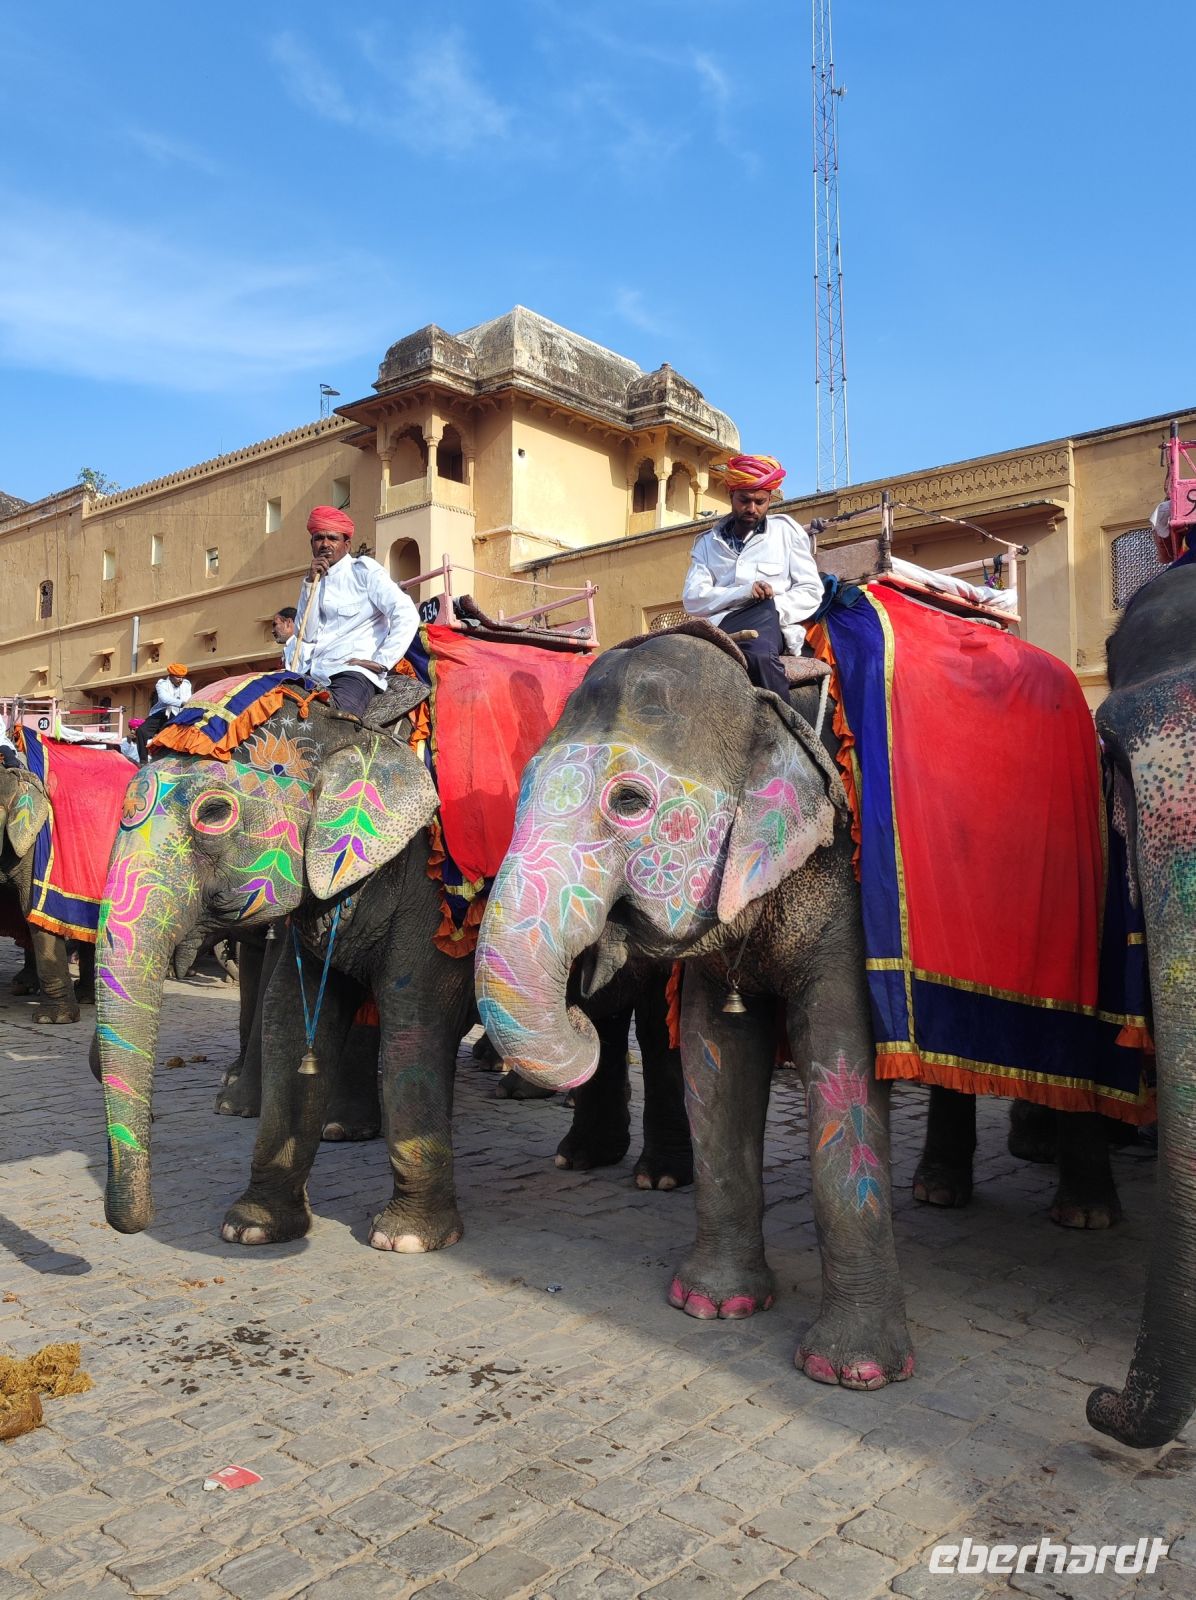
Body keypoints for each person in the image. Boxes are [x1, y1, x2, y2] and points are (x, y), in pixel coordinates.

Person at [681, 453, 823, 696]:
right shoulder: (706, 543)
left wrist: (770, 603)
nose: (751, 509)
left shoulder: (785, 532)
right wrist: (744, 593)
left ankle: (786, 727)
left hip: (769, 618)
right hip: (719, 624)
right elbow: (693, 599)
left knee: (758, 654)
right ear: (731, 495)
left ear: (770, 500)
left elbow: (811, 591)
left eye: (760, 502)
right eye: (744, 500)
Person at [292, 506, 419, 716]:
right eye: (319, 538)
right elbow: (306, 635)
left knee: (335, 724)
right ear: (311, 544)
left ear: (347, 544)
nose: (325, 544)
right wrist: (310, 585)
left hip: (352, 673)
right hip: (314, 672)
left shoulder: (364, 572)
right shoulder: (312, 580)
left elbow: (406, 613)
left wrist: (382, 661)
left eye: (332, 538)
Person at [135, 662, 192, 763]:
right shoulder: (162, 684)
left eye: (182, 677)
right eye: (178, 677)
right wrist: (182, 703)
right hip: (162, 713)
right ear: (171, 676)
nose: (181, 680)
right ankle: (143, 761)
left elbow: (188, 698)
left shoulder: (186, 684)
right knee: (141, 731)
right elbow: (165, 699)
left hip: (179, 715)